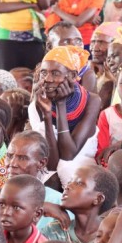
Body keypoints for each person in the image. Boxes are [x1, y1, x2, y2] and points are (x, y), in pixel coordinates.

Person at [30, 46, 102, 186]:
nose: (48, 79)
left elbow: (69, 154)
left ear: (73, 76)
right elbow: (51, 164)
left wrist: (60, 105)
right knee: (49, 176)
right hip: (54, 163)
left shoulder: (92, 100)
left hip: (82, 163)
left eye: (56, 73)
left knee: (66, 169)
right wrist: (46, 115)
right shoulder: (37, 104)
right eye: (44, 73)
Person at [42, 165, 116, 243]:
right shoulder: (55, 230)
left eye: (79, 183)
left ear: (98, 198)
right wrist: (40, 207)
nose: (67, 186)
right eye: (69, 182)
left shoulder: (112, 237)